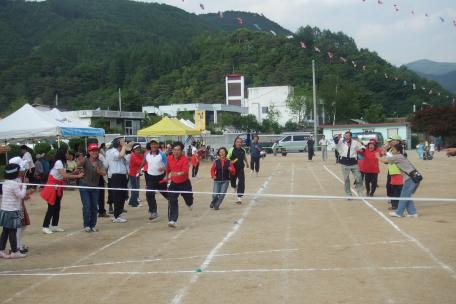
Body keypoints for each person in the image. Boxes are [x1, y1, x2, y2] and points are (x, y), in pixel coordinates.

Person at [40, 147, 84, 234]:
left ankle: (54, 225)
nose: (68, 155)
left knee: (57, 207)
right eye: (67, 153)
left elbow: (63, 175)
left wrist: (73, 173)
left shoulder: (62, 163)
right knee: (51, 208)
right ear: (63, 154)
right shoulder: (59, 162)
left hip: (57, 187)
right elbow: (64, 176)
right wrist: (77, 176)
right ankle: (45, 226)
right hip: (52, 187)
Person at [0, 164, 33, 259]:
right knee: (12, 231)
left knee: (5, 231)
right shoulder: (13, 184)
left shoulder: (6, 182)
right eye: (18, 171)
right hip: (12, 211)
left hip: (5, 210)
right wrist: (25, 186)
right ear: (15, 173)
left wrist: (21, 184)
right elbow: (21, 195)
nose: (20, 172)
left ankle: (1, 250)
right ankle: (14, 251)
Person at [381, 143, 421, 218]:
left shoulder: (397, 156)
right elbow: (390, 157)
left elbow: (384, 160)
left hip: (410, 179)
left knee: (403, 196)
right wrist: (385, 152)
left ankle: (399, 213)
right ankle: (412, 213)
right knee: (406, 196)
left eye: (393, 149)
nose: (392, 150)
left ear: (398, 151)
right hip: (414, 177)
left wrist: (377, 156)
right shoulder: (400, 156)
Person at [163, 142, 193, 228]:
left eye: (178, 150)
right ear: (172, 150)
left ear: (181, 151)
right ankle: (172, 220)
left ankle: (189, 204)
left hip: (185, 183)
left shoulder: (185, 159)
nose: (176, 152)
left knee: (189, 200)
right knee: (172, 200)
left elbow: (185, 170)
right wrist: (166, 176)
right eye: (174, 150)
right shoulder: (169, 158)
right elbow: (168, 169)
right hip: (174, 184)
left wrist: (179, 173)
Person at [77, 144, 106, 232]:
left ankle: (93, 225)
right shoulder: (85, 160)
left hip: (95, 187)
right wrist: (80, 163)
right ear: (89, 152)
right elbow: (78, 165)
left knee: (94, 207)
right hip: (84, 186)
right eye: (92, 151)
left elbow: (104, 173)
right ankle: (86, 225)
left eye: (96, 150)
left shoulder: (100, 162)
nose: (94, 152)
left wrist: (99, 171)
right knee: (87, 206)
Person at [8, 157, 32, 254]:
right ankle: (16, 247)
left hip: (19, 205)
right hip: (16, 206)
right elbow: (19, 195)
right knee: (19, 226)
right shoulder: (16, 180)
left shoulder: (18, 178)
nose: (24, 169)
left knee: (22, 225)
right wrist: (28, 192)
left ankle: (18, 244)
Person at [142, 140, 168, 221]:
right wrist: (139, 169)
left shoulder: (162, 154)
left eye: (155, 144)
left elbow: (167, 164)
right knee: (149, 194)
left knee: (165, 193)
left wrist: (163, 168)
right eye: (152, 144)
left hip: (160, 177)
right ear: (150, 145)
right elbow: (144, 161)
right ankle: (153, 212)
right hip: (150, 177)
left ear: (157, 145)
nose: (153, 146)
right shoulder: (147, 154)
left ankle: (173, 201)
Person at [106, 138, 130, 223]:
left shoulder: (120, 151)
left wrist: (124, 147)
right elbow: (119, 156)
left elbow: (125, 159)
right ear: (118, 143)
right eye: (123, 142)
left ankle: (118, 214)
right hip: (116, 176)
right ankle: (117, 215)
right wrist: (123, 146)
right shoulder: (113, 151)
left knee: (122, 195)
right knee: (118, 196)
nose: (125, 143)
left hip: (122, 176)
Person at [334, 131, 364, 197]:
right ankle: (348, 194)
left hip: (354, 162)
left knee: (359, 177)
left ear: (350, 136)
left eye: (348, 136)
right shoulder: (341, 141)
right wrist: (338, 137)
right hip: (344, 162)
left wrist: (362, 149)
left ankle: (360, 191)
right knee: (346, 179)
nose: (346, 137)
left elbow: (362, 147)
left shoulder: (355, 142)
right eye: (345, 135)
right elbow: (335, 141)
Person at [228, 137, 249, 204]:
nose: (239, 143)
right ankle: (234, 186)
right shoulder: (231, 149)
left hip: (240, 168)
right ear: (235, 142)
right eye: (238, 142)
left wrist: (247, 163)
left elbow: (244, 157)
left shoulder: (243, 150)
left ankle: (239, 197)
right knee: (232, 182)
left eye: (240, 142)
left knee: (242, 181)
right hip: (233, 169)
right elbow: (227, 158)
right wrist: (231, 162)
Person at [128, 143, 144, 208]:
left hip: (136, 174)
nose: (138, 150)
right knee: (135, 188)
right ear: (133, 150)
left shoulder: (138, 155)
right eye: (136, 149)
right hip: (133, 174)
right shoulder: (133, 156)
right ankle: (134, 203)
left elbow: (143, 158)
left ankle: (132, 201)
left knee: (136, 187)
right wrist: (144, 160)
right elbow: (140, 162)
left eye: (139, 149)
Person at [97, 144, 109, 218]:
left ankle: (100, 211)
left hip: (98, 177)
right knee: (100, 195)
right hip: (99, 177)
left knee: (98, 195)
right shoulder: (100, 156)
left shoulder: (87, 157)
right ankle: (101, 211)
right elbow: (105, 165)